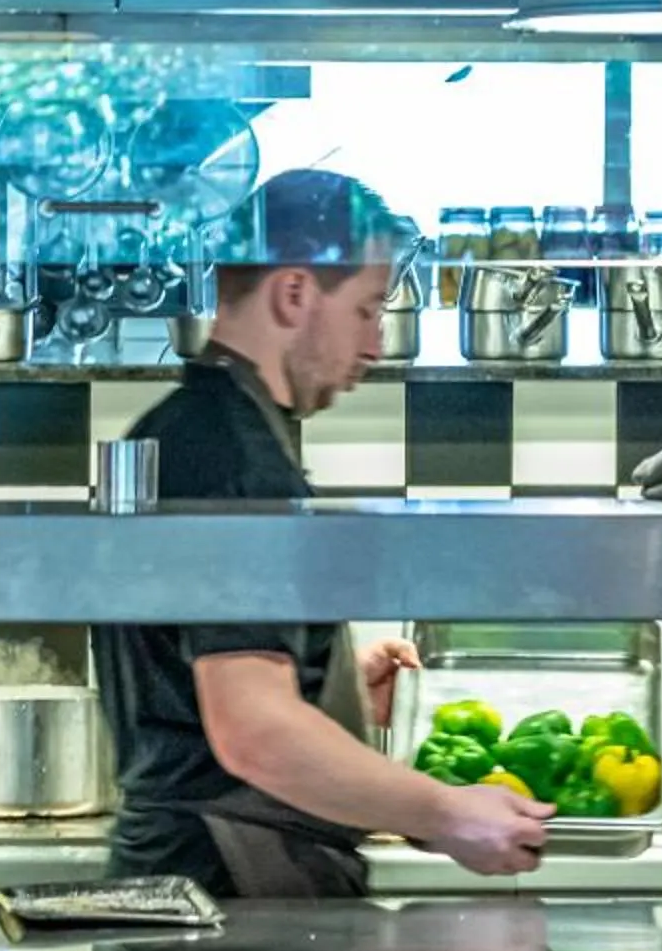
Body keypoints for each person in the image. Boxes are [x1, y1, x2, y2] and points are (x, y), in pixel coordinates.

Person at [93, 169, 552, 898]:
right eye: (368, 308)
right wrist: (447, 814)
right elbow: (254, 733)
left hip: (196, 870)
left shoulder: (189, 430)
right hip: (229, 885)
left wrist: (328, 688)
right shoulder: (235, 459)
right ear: (294, 293)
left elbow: (199, 686)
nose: (375, 343)